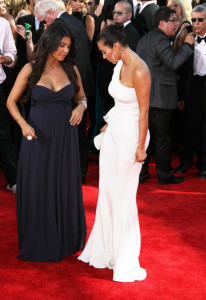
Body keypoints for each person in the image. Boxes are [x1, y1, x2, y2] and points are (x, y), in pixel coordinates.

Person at [6, 20, 86, 261]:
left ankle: (65, 236)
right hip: (37, 135)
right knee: (39, 184)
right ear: (50, 42)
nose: (64, 50)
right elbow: (10, 101)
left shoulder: (72, 69)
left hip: (65, 136)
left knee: (63, 183)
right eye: (61, 45)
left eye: (68, 47)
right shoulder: (31, 69)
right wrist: (23, 124)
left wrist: (81, 108)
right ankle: (40, 237)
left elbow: (82, 98)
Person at [78, 23, 151, 282]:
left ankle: (125, 258)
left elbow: (143, 112)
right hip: (114, 133)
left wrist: (141, 147)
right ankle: (106, 250)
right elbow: (120, 101)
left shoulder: (140, 69)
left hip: (132, 136)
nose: (104, 56)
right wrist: (107, 123)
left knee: (124, 195)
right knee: (107, 191)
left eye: (104, 51)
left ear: (117, 47)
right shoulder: (118, 64)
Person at [35, 0, 95, 184]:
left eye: (45, 21)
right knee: (78, 132)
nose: (46, 25)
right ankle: (80, 171)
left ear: (52, 12)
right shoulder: (75, 20)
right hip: (84, 81)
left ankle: (69, 171)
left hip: (69, 84)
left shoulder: (60, 25)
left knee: (69, 130)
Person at [136, 6, 194, 184]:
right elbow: (173, 62)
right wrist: (187, 45)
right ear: (162, 22)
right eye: (173, 20)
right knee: (162, 140)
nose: (176, 24)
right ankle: (165, 175)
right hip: (159, 98)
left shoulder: (145, 39)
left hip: (145, 97)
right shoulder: (160, 40)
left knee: (145, 138)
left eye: (177, 20)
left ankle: (142, 173)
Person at [175, 4, 206, 178]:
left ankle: (203, 165)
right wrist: (181, 96)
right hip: (192, 87)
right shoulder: (187, 40)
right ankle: (185, 161)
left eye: (200, 20)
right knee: (190, 127)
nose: (196, 23)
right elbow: (181, 72)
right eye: (193, 20)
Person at [0, 17, 17, 194]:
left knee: (4, 135)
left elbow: (12, 55)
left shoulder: (3, 24)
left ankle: (13, 179)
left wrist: (5, 59)